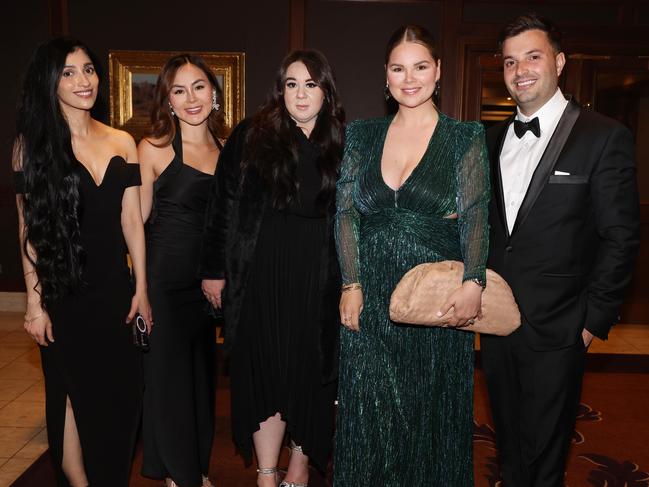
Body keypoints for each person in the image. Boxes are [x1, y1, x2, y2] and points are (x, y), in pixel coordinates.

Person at [480, 13, 640, 487]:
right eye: (510, 61)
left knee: (546, 459)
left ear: (560, 61)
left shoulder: (603, 135)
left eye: (533, 56)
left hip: (561, 325)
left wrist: (592, 321)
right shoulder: (489, 139)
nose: (521, 69)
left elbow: (621, 236)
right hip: (496, 322)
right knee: (507, 445)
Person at [334, 25, 490, 486]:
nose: (410, 78)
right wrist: (351, 283)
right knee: (371, 418)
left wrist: (474, 281)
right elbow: (344, 213)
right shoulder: (361, 135)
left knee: (429, 417)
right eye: (399, 68)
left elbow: (476, 215)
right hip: (370, 300)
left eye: (420, 67)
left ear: (438, 72)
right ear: (385, 76)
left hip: (436, 301)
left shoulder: (464, 138)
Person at [199, 50, 344, 487]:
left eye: (311, 84)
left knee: (308, 373)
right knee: (265, 370)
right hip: (259, 274)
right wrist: (213, 270)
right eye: (292, 84)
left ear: (326, 92)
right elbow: (222, 205)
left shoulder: (343, 141)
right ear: (280, 90)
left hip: (318, 277)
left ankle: (298, 470)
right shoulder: (252, 135)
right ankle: (266, 472)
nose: (301, 94)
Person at [13, 37, 151, 486]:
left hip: (114, 289)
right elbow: (27, 230)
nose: (82, 80)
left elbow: (133, 223)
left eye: (88, 70)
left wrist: (142, 290)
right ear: (51, 83)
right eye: (69, 72)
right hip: (63, 290)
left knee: (122, 396)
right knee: (70, 397)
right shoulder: (31, 147)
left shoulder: (123, 141)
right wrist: (35, 304)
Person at [139, 54, 227, 487]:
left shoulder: (229, 150)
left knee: (200, 380)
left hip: (209, 283)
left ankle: (195, 467)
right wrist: (139, 288)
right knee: (169, 378)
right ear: (168, 101)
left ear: (215, 94)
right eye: (179, 90)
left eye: (198, 87)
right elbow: (134, 226)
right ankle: (182, 476)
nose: (190, 98)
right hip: (166, 279)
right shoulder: (153, 147)